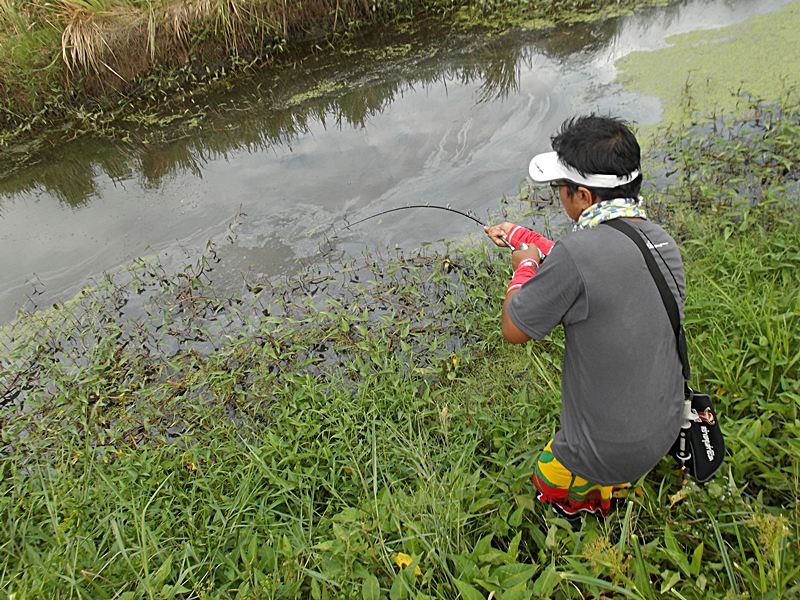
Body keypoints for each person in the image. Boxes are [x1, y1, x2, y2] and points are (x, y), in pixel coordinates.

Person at [484, 115, 685, 520]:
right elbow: (591, 259)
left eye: (560, 188)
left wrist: (523, 265)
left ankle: (587, 503)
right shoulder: (660, 240)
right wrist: (526, 237)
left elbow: (514, 328)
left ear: (583, 198)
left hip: (614, 451)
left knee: (547, 477)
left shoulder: (578, 257)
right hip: (666, 425)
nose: (558, 195)